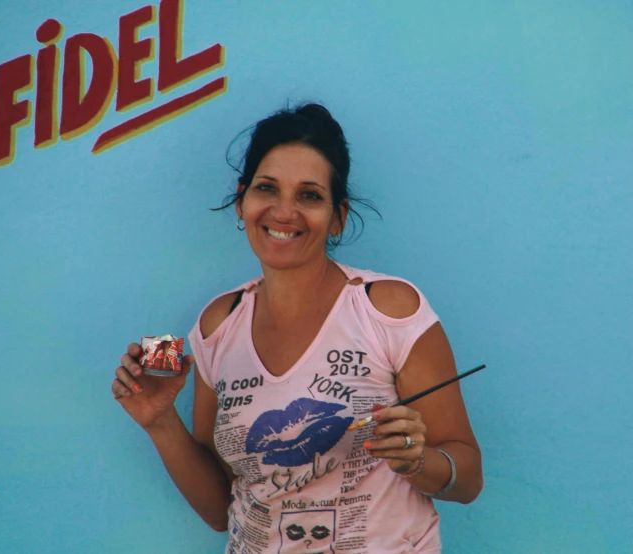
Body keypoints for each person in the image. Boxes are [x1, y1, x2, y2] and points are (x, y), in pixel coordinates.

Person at [111, 103, 483, 553]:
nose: (284, 211)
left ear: (338, 216)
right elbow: (219, 510)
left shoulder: (388, 308)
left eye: (309, 195)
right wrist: (160, 422)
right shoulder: (216, 325)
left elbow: (469, 480)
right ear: (242, 200)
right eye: (267, 188)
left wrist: (416, 461)